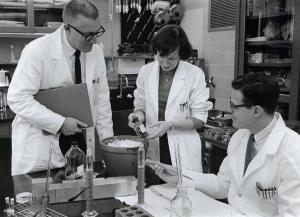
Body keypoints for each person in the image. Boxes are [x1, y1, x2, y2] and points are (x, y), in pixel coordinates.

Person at [147, 73, 300, 217]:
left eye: (234, 106)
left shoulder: (293, 151)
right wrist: (179, 176)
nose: (230, 111)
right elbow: (223, 185)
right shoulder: (240, 136)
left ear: (256, 111)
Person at [7, 0, 113, 175]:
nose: (94, 40)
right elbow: (17, 99)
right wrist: (59, 123)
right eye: (88, 35)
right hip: (41, 152)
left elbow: (101, 102)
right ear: (67, 28)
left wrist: (108, 145)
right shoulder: (37, 51)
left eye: (97, 32)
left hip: (80, 149)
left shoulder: (96, 53)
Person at [128, 24, 212, 173]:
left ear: (181, 55)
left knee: (182, 188)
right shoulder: (145, 72)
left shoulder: (195, 74)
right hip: (153, 142)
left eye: (172, 58)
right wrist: (138, 116)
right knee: (155, 190)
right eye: (161, 56)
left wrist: (171, 125)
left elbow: (199, 119)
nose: (165, 63)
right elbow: (141, 105)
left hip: (182, 144)